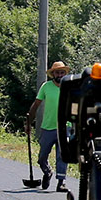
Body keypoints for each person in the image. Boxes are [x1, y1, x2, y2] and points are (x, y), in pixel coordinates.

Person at [27, 62, 68, 191]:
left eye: (62, 72)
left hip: (65, 126)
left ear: (65, 74)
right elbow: (36, 105)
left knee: (62, 155)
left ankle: (61, 182)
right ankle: (47, 171)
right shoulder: (46, 87)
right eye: (57, 72)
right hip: (48, 127)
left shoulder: (70, 87)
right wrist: (28, 123)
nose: (59, 75)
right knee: (42, 156)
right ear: (53, 74)